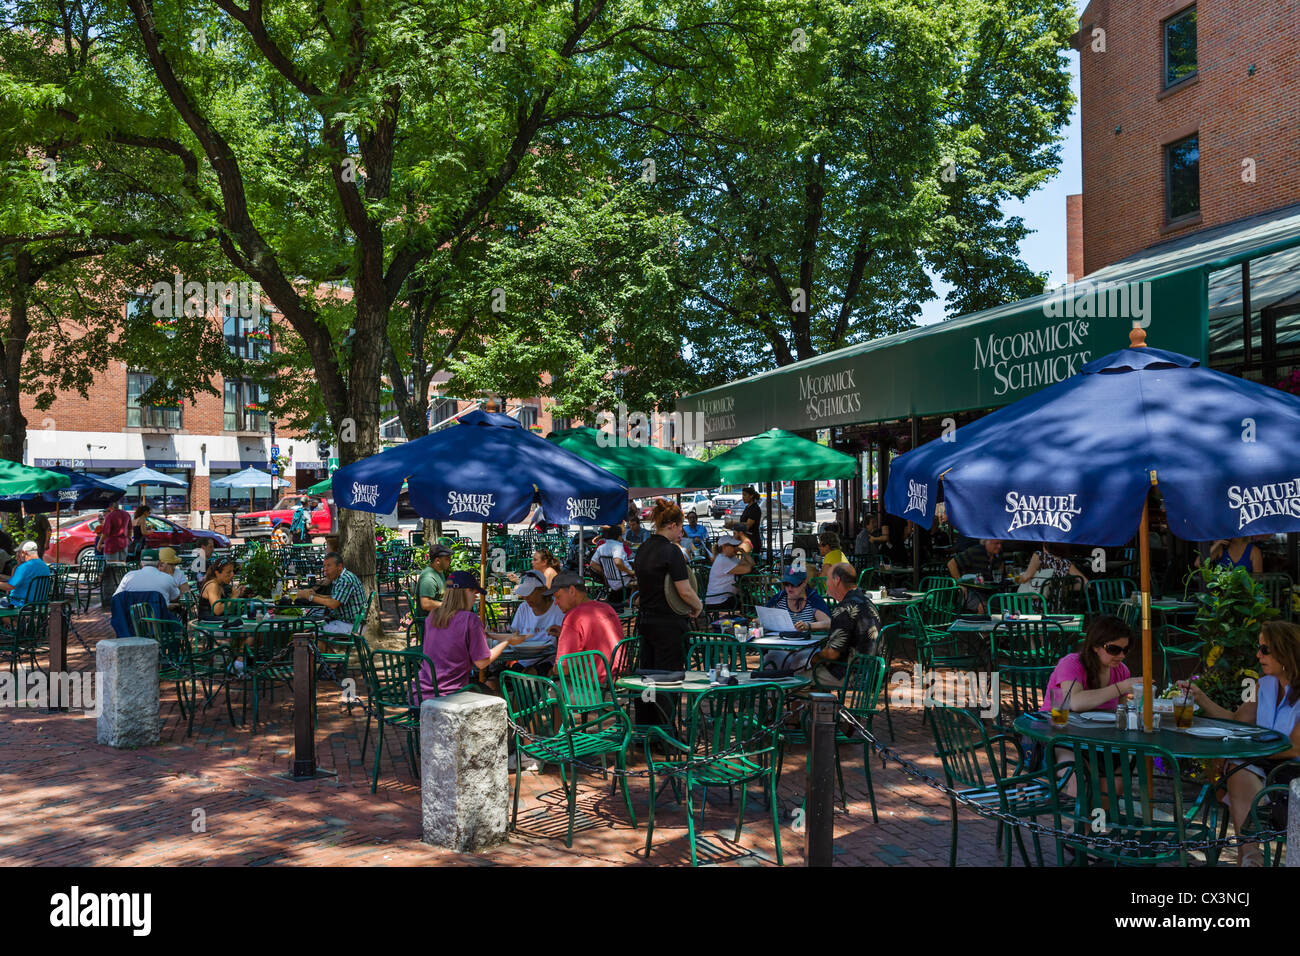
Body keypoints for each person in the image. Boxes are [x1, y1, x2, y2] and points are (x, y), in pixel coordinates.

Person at [1181, 620, 1300, 866]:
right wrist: (1201, 698)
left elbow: (1294, 747)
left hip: (1293, 774)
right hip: (1264, 764)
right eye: (1259, 648)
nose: (1258, 655)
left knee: (1236, 764)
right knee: (1237, 766)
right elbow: (1237, 721)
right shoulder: (1265, 685)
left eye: (1265, 649)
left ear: (1285, 651)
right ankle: (1251, 858)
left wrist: (1241, 752)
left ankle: (1251, 850)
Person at [633, 501, 703, 721]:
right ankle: (666, 731)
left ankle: (646, 725)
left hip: (644, 621)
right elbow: (684, 590)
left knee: (647, 675)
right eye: (680, 527)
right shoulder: (671, 551)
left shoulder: (644, 548)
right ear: (672, 525)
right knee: (668, 677)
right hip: (668, 624)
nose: (681, 532)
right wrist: (698, 605)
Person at [419, 571, 524, 697]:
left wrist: (488, 635)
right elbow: (482, 663)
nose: (476, 597)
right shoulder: (470, 619)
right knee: (500, 694)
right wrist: (507, 641)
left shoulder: (433, 616)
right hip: (451, 694)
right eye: (474, 593)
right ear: (466, 591)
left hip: (420, 694)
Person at [803, 563, 881, 687]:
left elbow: (832, 654)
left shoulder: (844, 609)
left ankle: (820, 705)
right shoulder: (867, 601)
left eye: (828, 579)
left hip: (854, 675)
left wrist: (814, 659)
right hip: (873, 671)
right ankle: (825, 705)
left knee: (799, 678)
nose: (826, 583)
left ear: (837, 580)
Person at [1041, 615, 1136, 714]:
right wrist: (1120, 688)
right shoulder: (1071, 664)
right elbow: (1075, 703)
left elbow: (1121, 712)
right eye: (1113, 649)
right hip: (1055, 725)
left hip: (1096, 728)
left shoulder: (1122, 671)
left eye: (1125, 650)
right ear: (1095, 646)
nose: (1121, 655)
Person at [544, 571, 623, 681]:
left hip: (590, 688)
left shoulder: (573, 617)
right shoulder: (606, 608)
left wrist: (551, 670)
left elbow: (563, 668)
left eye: (558, 597)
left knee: (541, 686)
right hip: (617, 681)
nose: (555, 603)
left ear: (572, 591)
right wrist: (565, 632)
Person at [489, 571, 565, 675]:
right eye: (524, 594)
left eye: (529, 593)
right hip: (522, 661)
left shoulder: (559, 608)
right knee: (493, 677)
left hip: (548, 662)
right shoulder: (523, 607)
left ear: (542, 590)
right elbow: (514, 633)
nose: (526, 597)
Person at [295, 552, 366, 634]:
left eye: (328, 565)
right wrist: (314, 594)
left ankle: (318, 645)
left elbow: (333, 604)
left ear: (339, 566)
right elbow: (333, 597)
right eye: (324, 566)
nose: (325, 569)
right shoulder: (339, 578)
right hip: (344, 622)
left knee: (309, 634)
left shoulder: (345, 580)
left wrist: (310, 597)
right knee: (309, 629)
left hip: (352, 625)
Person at [765, 569, 832, 632]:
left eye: (794, 584)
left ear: (804, 582)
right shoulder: (779, 598)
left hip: (807, 642)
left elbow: (828, 623)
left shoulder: (813, 599)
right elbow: (764, 617)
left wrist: (809, 626)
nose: (789, 588)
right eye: (786, 584)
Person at [947, 538, 1004, 612]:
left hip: (990, 592)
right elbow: (951, 564)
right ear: (986, 542)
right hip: (971, 590)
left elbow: (1000, 570)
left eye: (1001, 543)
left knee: (1007, 604)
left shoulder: (998, 554)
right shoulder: (975, 551)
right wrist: (959, 583)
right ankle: (979, 622)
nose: (999, 546)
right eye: (996, 543)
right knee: (983, 607)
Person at [703, 533, 754, 612]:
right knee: (749, 603)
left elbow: (751, 564)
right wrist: (741, 553)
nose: (735, 548)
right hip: (718, 601)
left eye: (736, 546)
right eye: (733, 546)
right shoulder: (723, 560)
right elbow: (747, 568)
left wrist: (742, 552)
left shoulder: (729, 558)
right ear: (724, 547)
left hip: (722, 598)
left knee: (749, 600)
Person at [114, 547, 184, 603]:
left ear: (141, 563)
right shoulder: (167, 578)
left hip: (133, 618)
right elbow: (175, 598)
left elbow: (116, 597)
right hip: (160, 619)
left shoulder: (128, 576)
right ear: (159, 563)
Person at [589, 524, 633, 605]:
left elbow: (592, 564)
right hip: (623, 580)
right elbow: (618, 562)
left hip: (610, 582)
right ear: (619, 536)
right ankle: (631, 601)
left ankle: (628, 601)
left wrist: (605, 571)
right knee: (639, 577)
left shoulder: (601, 547)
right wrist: (630, 572)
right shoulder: (618, 546)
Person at [1018, 542, 1088, 590]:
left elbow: (1026, 577)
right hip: (1059, 606)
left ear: (1045, 545)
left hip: (1041, 605)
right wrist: (1064, 588)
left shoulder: (1039, 556)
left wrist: (1016, 578)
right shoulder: (1066, 563)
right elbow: (1087, 583)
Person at [0, 541, 50, 608]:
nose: (18, 555)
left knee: (2, 602)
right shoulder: (45, 566)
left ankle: (10, 618)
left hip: (20, 604)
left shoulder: (24, 567)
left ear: (24, 553)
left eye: (19, 553)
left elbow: (9, 586)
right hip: (40, 604)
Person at [1199, 537, 1264, 575]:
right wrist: (1217, 544)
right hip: (1221, 594)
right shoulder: (1220, 549)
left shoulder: (1254, 550)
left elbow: (1257, 578)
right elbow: (1198, 563)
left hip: (1244, 594)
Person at [417, 544, 453, 613]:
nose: (450, 561)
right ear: (437, 561)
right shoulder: (429, 579)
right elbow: (426, 604)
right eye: (447, 559)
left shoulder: (439, 571)